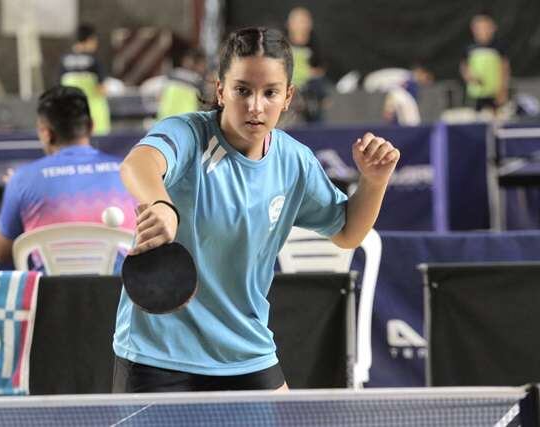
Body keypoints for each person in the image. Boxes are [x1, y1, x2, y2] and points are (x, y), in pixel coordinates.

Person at [113, 27, 399, 392]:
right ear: (220, 89)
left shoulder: (294, 162)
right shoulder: (189, 134)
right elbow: (137, 165)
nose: (255, 106)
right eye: (242, 90)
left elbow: (347, 233)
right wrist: (162, 206)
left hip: (246, 349)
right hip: (159, 353)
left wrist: (374, 182)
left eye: (270, 93)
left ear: (288, 96)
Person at [0, 86, 136, 265]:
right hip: (118, 290)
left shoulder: (21, 180)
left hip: (48, 292)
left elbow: (2, 252)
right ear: (91, 126)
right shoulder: (130, 173)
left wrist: (13, 194)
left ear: (46, 133)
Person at [59, 23, 111, 135]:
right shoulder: (94, 61)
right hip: (94, 116)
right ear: (90, 40)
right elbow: (101, 89)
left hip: (70, 115)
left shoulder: (63, 61)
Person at [460, 13, 510, 112]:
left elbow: (505, 68)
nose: (483, 31)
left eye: (486, 28)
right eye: (479, 28)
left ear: (493, 28)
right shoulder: (469, 48)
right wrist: (469, 76)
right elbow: (464, 66)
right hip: (475, 95)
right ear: (473, 30)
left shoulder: (499, 47)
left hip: (495, 93)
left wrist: (503, 89)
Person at [156, 48, 207, 120]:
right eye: (203, 64)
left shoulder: (171, 75)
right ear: (198, 64)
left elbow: (159, 97)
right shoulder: (198, 82)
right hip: (185, 123)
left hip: (164, 122)